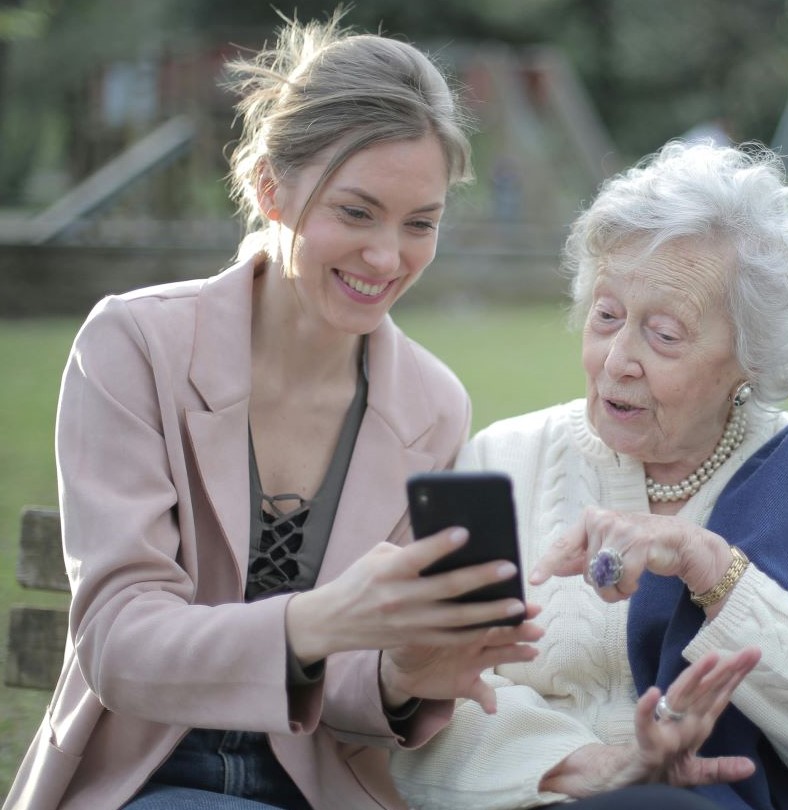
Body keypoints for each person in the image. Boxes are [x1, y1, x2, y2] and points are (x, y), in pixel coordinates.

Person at [3, 14, 545, 810]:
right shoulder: (134, 345)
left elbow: (353, 686)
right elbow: (119, 642)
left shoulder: (432, 405)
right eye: (356, 212)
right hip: (141, 781)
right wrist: (318, 620)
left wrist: (402, 673)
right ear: (270, 187)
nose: (388, 258)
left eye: (420, 223)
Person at [390, 142, 788, 809]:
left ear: (752, 356)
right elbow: (422, 702)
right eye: (606, 316)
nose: (617, 360)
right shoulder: (505, 459)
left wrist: (712, 568)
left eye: (663, 333)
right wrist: (588, 765)